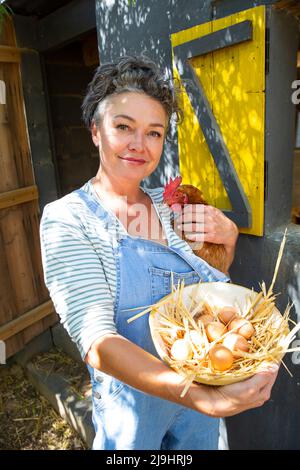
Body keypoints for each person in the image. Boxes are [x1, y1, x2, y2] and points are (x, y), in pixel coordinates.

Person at [40, 55, 279, 450]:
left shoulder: (171, 208)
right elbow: (98, 341)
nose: (139, 145)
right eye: (123, 127)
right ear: (95, 131)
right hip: (134, 412)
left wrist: (230, 241)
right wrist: (200, 395)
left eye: (154, 133)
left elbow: (208, 297)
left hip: (200, 401)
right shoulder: (68, 218)